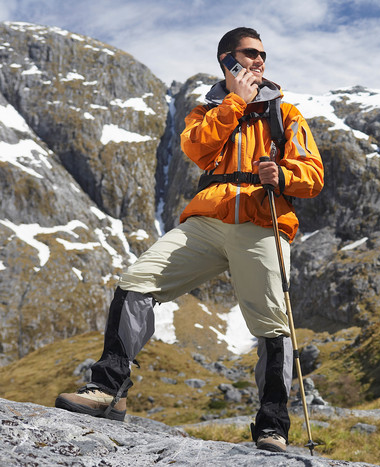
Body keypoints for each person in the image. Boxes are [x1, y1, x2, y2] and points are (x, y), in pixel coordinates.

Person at [55, 27, 324, 453]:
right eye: (249, 54)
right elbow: (198, 149)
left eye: (262, 55)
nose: (259, 61)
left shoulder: (285, 114)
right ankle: (108, 390)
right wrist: (235, 100)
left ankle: (272, 426)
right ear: (227, 60)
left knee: (274, 326)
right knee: (136, 281)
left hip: (261, 222)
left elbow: (313, 174)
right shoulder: (206, 110)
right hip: (208, 220)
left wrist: (285, 176)